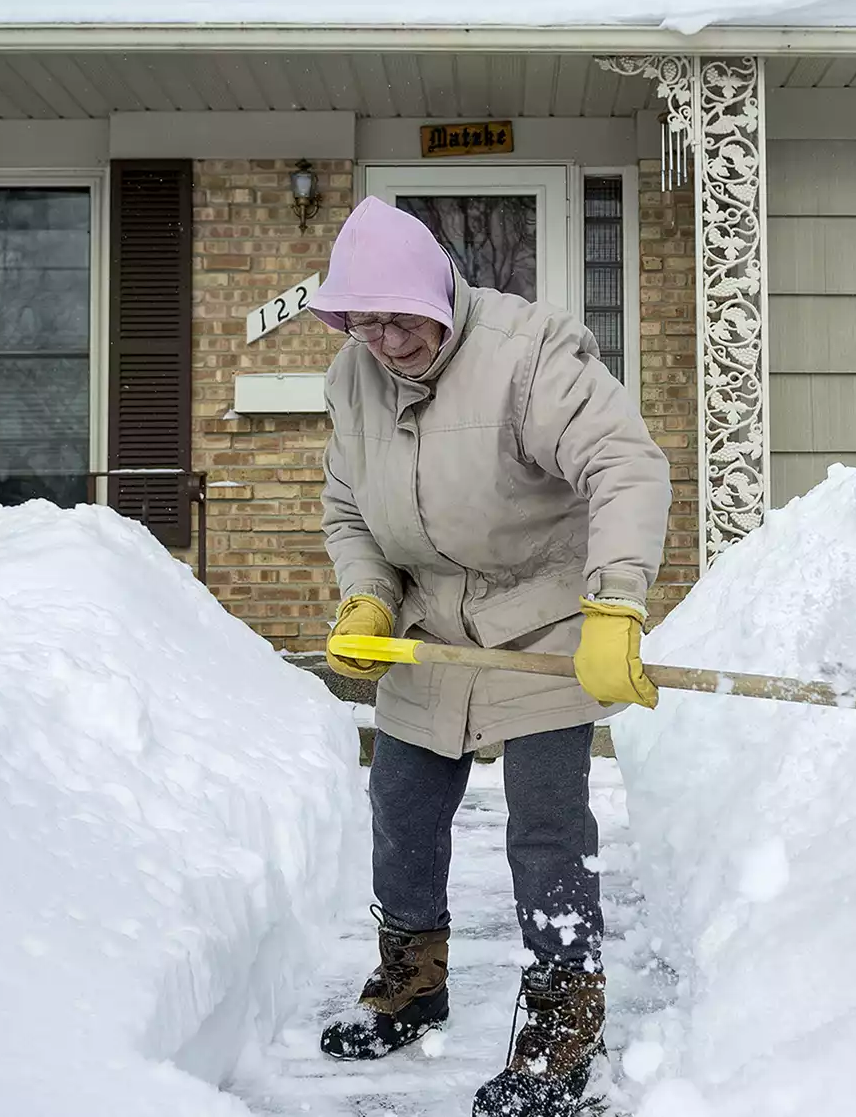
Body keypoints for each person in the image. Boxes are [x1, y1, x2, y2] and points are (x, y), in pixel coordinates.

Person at [307, 195, 671, 1117]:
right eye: (362, 322)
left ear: (439, 295)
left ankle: (560, 1025)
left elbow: (625, 466)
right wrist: (367, 596)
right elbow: (351, 510)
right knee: (400, 811)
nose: (383, 342)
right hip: (427, 630)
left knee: (547, 835)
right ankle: (411, 982)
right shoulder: (352, 379)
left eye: (399, 319)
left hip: (545, 621)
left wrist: (615, 605)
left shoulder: (529, 352)